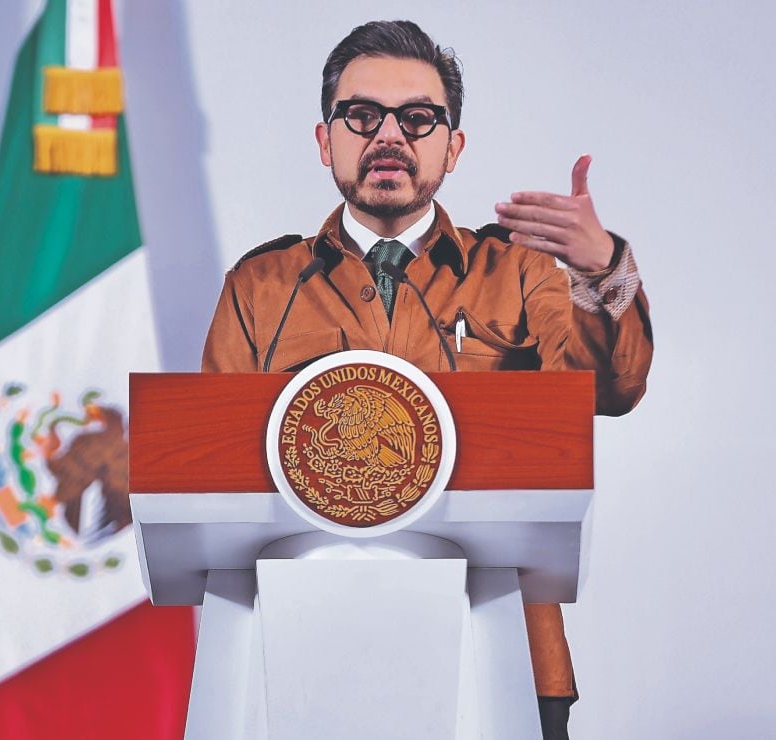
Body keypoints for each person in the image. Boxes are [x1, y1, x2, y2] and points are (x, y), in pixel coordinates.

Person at [201, 20, 653, 739]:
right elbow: (209, 475)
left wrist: (603, 271)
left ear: (452, 145)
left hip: (497, 645)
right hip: (299, 651)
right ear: (326, 141)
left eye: (416, 118)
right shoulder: (261, 284)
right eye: (361, 115)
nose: (388, 135)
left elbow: (610, 389)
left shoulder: (520, 272)